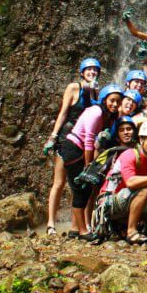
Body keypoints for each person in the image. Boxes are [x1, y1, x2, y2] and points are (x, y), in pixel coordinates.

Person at [44, 58, 101, 236]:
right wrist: (53, 136)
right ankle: (51, 224)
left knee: (81, 185)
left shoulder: (95, 93)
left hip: (84, 142)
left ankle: (77, 225)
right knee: (59, 182)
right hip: (66, 139)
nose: (92, 72)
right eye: (89, 69)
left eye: (95, 70)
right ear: (82, 72)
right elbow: (63, 113)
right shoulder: (73, 87)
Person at [59, 83, 123, 240]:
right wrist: (89, 167)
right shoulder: (96, 113)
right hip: (73, 148)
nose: (115, 104)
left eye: (117, 102)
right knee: (81, 189)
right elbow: (88, 140)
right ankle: (83, 231)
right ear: (104, 99)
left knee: (81, 190)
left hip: (77, 149)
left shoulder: (107, 115)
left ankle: (75, 229)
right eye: (112, 100)